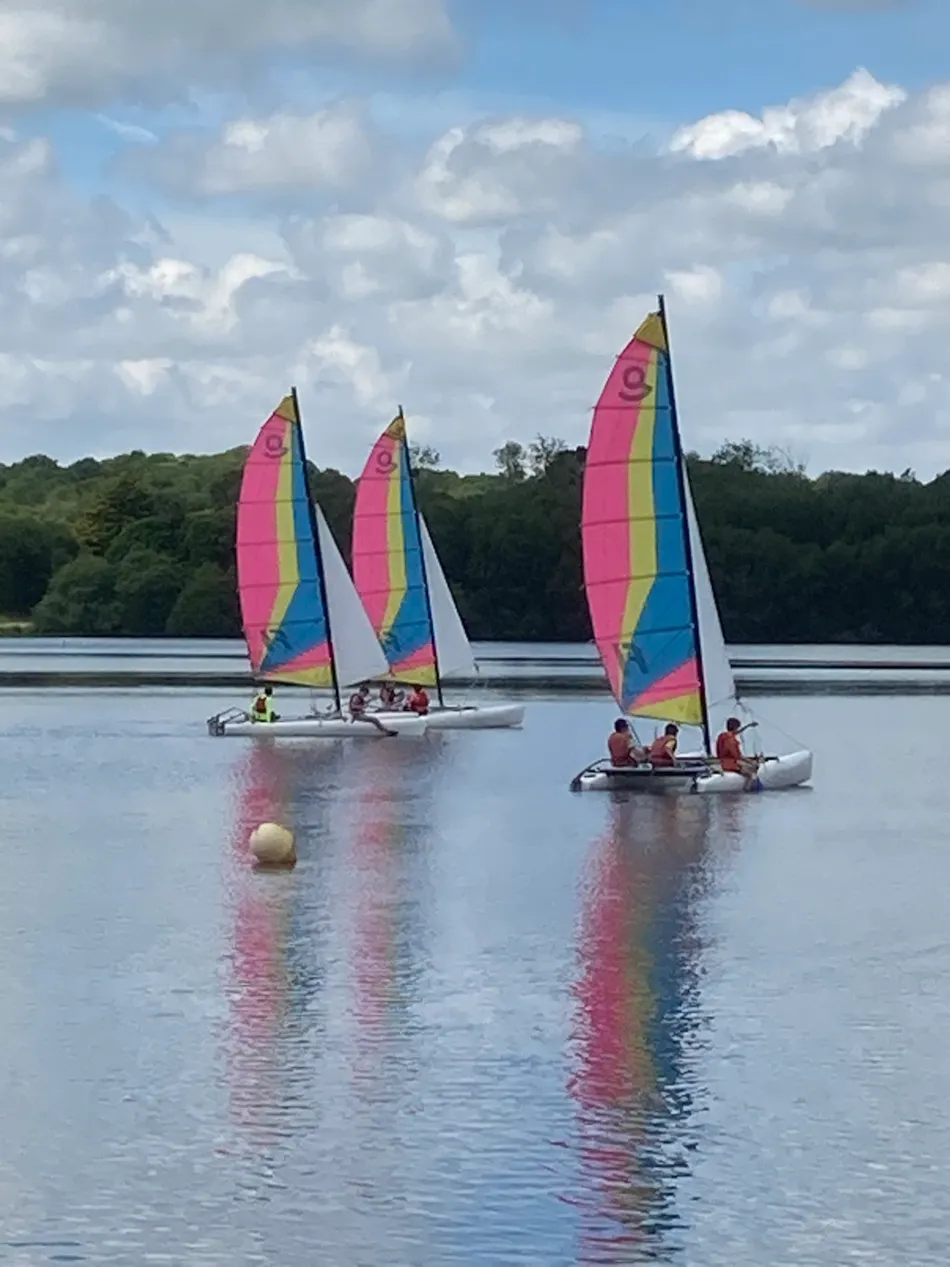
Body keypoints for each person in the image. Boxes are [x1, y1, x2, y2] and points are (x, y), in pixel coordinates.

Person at [715, 716, 760, 790]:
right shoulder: (731, 740)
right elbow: (737, 756)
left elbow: (736, 732)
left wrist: (748, 726)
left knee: (750, 765)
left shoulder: (722, 736)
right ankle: (747, 791)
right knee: (752, 774)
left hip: (724, 761)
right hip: (730, 764)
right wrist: (751, 761)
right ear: (735, 727)